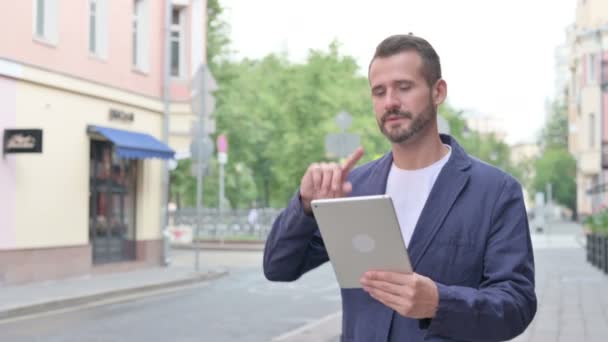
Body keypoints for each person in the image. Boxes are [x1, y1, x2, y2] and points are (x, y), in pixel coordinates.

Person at [263, 34, 536, 342]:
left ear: (438, 91)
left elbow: (517, 304)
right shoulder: (354, 187)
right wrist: (305, 206)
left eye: (404, 87)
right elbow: (278, 267)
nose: (390, 101)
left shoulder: (495, 191)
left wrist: (439, 302)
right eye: (379, 92)